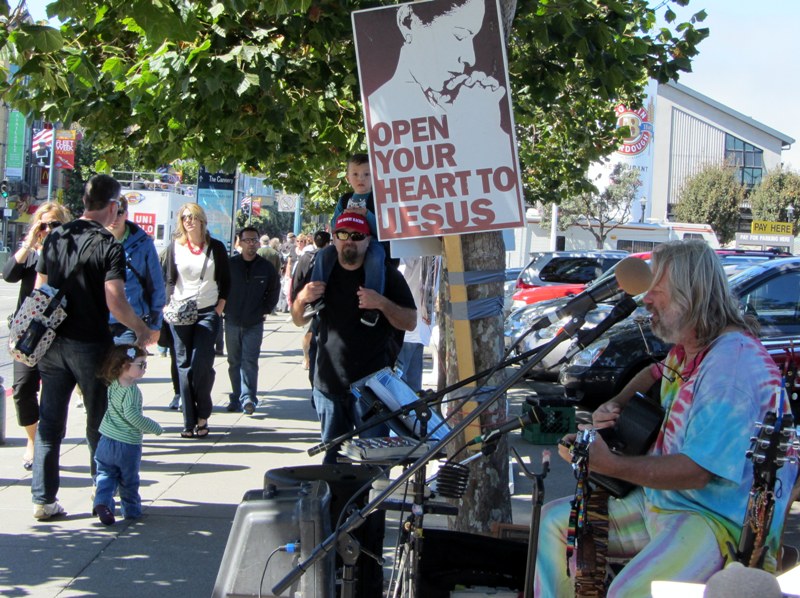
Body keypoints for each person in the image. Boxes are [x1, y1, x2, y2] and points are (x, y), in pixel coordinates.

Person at [534, 240, 799, 595]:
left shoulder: (731, 367)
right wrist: (615, 402)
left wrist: (609, 464)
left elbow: (696, 472)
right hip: (664, 503)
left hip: (715, 523)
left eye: (656, 290)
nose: (645, 299)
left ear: (692, 295)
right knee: (554, 524)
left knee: (627, 592)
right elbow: (654, 373)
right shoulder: (691, 350)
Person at [32, 174, 154, 521]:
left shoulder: (56, 235)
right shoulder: (108, 245)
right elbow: (114, 300)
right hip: (89, 343)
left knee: (50, 423)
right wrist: (141, 328)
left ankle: (43, 498)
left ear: (85, 203)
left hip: (52, 343)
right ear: (113, 207)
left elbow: (41, 288)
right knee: (100, 421)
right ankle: (101, 494)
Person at [291, 212, 417, 464]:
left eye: (357, 236)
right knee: (333, 462)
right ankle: (337, 505)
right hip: (328, 384)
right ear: (334, 239)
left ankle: (370, 505)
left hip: (372, 389)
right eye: (343, 234)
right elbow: (298, 319)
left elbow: (410, 321)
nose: (349, 241)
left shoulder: (387, 276)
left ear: (368, 240)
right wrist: (302, 298)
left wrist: (381, 303)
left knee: (374, 464)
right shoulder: (321, 271)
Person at [3, 202, 72, 471]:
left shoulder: (69, 255)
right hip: (28, 333)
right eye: (44, 225)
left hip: (58, 332)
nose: (49, 230)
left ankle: (46, 445)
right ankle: (33, 439)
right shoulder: (31, 255)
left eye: (55, 224)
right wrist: (29, 241)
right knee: (22, 389)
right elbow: (9, 274)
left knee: (54, 393)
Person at [162, 203, 230, 439]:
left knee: (201, 364)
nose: (189, 221)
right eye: (184, 217)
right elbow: (169, 279)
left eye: (193, 217)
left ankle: (203, 414)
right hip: (180, 312)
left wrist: (219, 307)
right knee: (184, 366)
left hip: (207, 312)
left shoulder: (216, 248)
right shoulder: (175, 248)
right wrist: (168, 303)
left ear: (202, 220)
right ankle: (189, 421)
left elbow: (226, 282)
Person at [306, 154, 387, 326]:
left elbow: (383, 228)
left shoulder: (379, 199)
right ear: (348, 177)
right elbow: (335, 224)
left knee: (376, 257)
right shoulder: (344, 199)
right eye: (356, 174)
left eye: (366, 174)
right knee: (323, 255)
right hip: (345, 242)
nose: (361, 179)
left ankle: (372, 306)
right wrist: (345, 216)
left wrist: (366, 215)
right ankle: (316, 297)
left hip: (371, 242)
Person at [93, 344, 163, 526]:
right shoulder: (132, 391)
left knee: (105, 475)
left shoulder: (113, 385)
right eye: (140, 365)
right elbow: (132, 416)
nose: (144, 368)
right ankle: (131, 512)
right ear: (125, 365)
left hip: (106, 440)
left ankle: (102, 502)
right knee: (128, 480)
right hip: (127, 444)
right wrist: (154, 427)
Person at [224, 227, 280, 414]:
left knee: (249, 360)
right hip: (232, 320)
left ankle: (248, 398)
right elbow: (221, 288)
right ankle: (235, 396)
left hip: (254, 322)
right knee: (234, 361)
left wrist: (265, 310)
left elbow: (273, 291)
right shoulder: (230, 265)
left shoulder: (265, 267)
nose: (251, 243)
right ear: (239, 242)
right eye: (247, 240)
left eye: (254, 240)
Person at [106, 195, 166, 345]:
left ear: (126, 214)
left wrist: (155, 325)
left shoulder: (143, 244)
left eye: (119, 212)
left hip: (130, 325)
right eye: (109, 212)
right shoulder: (92, 242)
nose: (114, 217)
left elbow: (157, 287)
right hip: (97, 323)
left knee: (126, 368)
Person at [291, 230, 331, 372]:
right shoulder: (331, 258)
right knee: (312, 331)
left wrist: (296, 298)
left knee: (308, 331)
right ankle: (309, 357)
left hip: (308, 302)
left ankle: (306, 357)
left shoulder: (305, 257)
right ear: (328, 243)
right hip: (319, 301)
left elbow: (297, 280)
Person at [395, 257, 435, 392]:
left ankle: (409, 409)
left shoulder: (420, 250)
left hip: (413, 329)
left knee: (402, 381)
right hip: (418, 328)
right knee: (411, 382)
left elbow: (397, 258)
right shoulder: (428, 253)